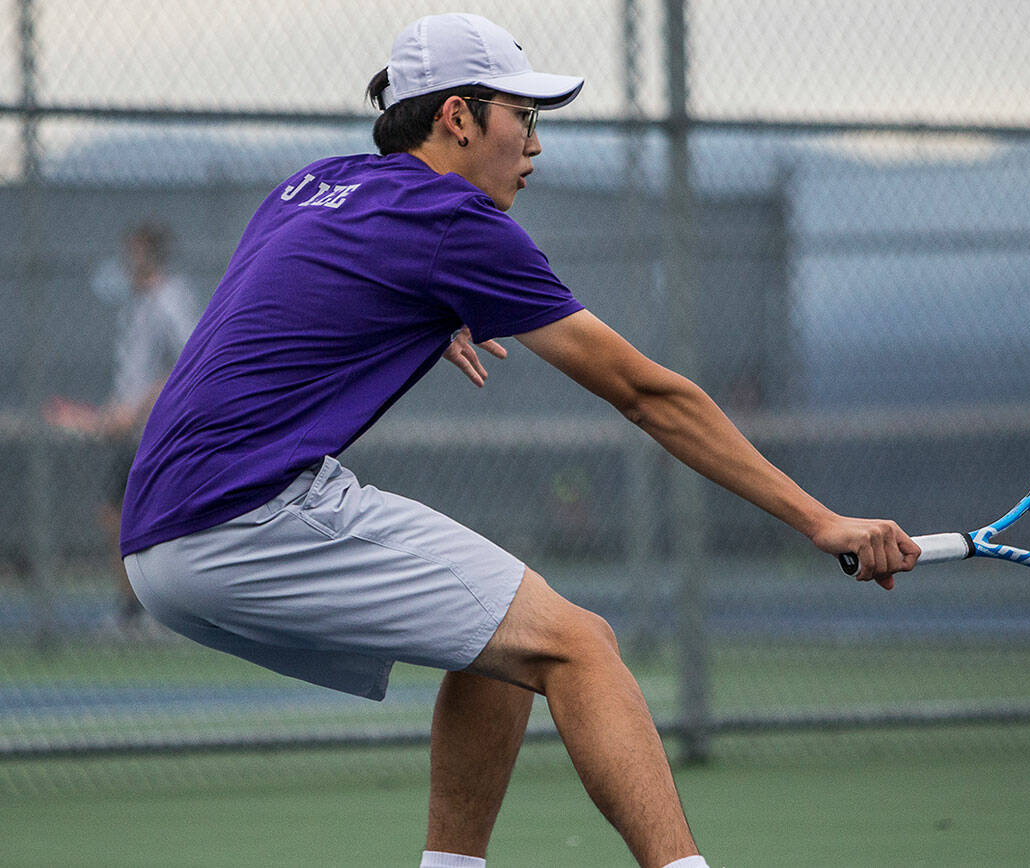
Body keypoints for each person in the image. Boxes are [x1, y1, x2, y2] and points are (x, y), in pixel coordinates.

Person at [118, 13, 919, 868]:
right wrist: (819, 521)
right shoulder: (453, 222)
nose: (535, 144)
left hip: (158, 534)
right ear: (458, 118)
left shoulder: (316, 184)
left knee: (498, 647)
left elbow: (286, 304)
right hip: (244, 514)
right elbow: (648, 395)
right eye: (522, 117)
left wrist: (425, 312)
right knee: (581, 644)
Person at [45, 221, 196, 633]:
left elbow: (183, 363)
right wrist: (111, 414)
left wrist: (136, 412)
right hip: (131, 434)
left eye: (136, 252)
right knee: (117, 519)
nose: (129, 260)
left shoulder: (170, 300)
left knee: (133, 520)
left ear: (151, 253)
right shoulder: (136, 304)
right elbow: (133, 378)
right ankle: (135, 612)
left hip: (158, 433)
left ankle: (151, 612)